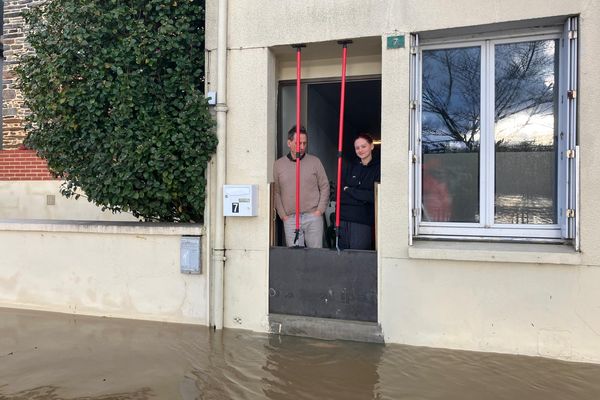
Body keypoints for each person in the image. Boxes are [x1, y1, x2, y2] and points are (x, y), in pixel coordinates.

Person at [273, 126, 330, 248]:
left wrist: (319, 210)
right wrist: (283, 215)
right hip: (291, 219)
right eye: (298, 143)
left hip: (313, 216)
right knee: (295, 257)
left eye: (304, 143)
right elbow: (276, 192)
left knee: (315, 256)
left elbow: (325, 186)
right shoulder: (278, 165)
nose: (302, 146)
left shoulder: (315, 162)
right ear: (289, 143)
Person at [339, 133, 381, 250]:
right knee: (342, 257)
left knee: (359, 258)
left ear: (371, 146)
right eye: (357, 148)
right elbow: (341, 193)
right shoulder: (350, 167)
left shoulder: (378, 169)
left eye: (363, 146)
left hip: (363, 221)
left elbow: (374, 196)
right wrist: (360, 195)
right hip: (343, 219)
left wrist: (350, 190)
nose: (360, 150)